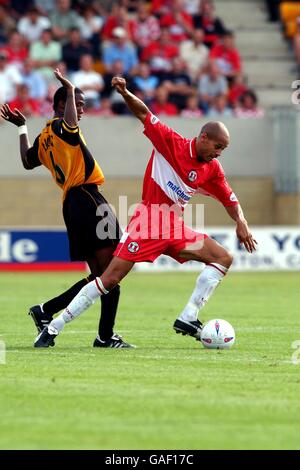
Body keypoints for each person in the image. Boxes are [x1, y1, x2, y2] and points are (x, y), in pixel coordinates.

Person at [32, 76, 257, 348]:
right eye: (217, 146)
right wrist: (125, 92)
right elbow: (143, 113)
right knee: (109, 280)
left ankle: (188, 316)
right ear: (203, 137)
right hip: (148, 224)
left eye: (224, 149)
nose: (219, 153)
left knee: (222, 257)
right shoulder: (170, 142)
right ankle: (53, 327)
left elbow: (230, 199)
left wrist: (241, 222)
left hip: (174, 228)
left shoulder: (213, 169)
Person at [0, 69, 133, 349]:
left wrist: (22, 128)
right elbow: (71, 124)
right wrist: (71, 87)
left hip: (72, 205)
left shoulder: (45, 135)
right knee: (112, 273)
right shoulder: (62, 126)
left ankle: (45, 311)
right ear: (61, 104)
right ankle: (104, 337)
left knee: (100, 276)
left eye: (82, 104)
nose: (81, 109)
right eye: (78, 103)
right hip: (89, 198)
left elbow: (27, 160)